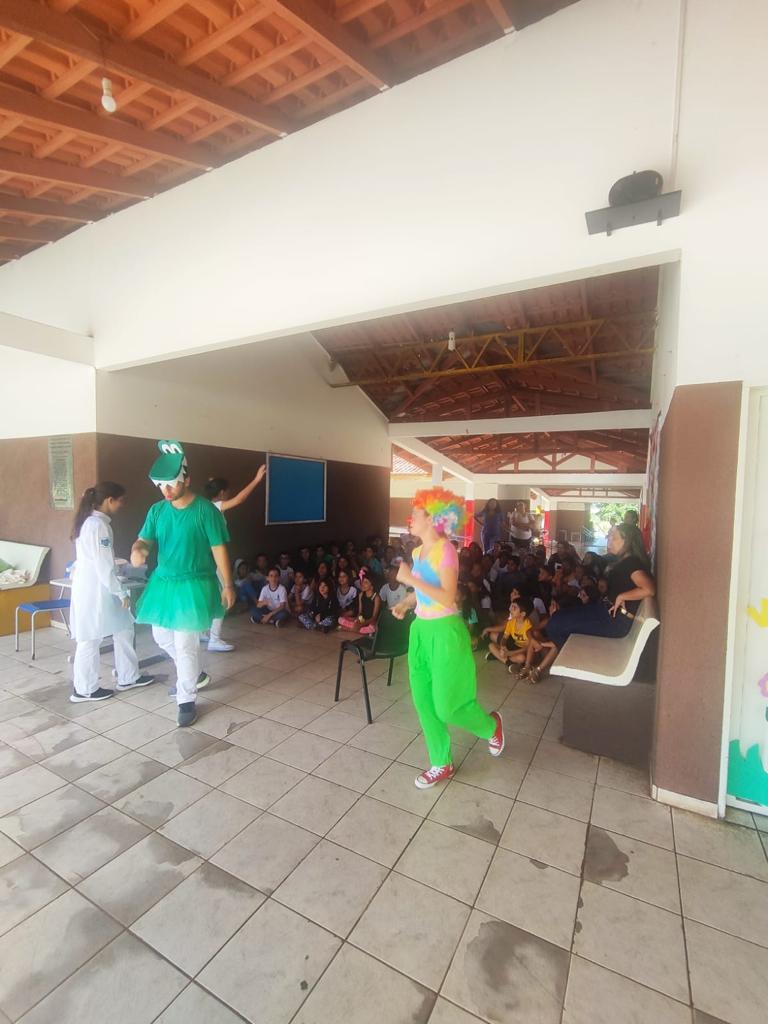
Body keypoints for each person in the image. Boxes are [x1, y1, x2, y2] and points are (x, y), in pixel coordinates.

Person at [393, 487, 504, 789]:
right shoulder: (417, 552)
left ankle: (491, 726)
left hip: (445, 633)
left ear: (432, 518)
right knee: (424, 703)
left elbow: (447, 597)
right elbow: (423, 592)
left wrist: (410, 579)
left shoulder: (446, 551)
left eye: (415, 514)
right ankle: (441, 762)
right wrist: (406, 602)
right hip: (421, 631)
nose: (410, 519)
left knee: (448, 706)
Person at [131, 441, 234, 727]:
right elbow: (144, 539)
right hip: (164, 584)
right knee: (161, 636)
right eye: (161, 486)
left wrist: (228, 584)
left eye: (171, 484)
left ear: (187, 480)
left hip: (194, 583)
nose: (166, 491)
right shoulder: (157, 511)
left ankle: (186, 699)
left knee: (186, 644)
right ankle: (195, 674)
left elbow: (219, 549)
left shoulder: (206, 511)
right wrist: (138, 549)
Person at [69, 482, 155, 703]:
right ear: (109, 500)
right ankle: (85, 689)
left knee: (124, 628)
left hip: (96, 587)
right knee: (90, 638)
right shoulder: (98, 526)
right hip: (96, 591)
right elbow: (104, 565)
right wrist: (121, 592)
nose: (122, 505)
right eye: (121, 501)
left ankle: (128, 676)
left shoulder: (90, 522)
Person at [545, 522, 656, 653]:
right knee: (557, 616)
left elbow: (649, 589)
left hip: (616, 622)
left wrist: (622, 596)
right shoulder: (625, 561)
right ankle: (565, 650)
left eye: (614, 538)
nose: (609, 540)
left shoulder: (631, 562)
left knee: (554, 624)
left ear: (627, 542)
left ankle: (574, 655)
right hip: (607, 612)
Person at [201, 465, 266, 652]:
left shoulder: (202, 506)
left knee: (207, 597)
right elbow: (239, 499)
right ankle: (214, 638)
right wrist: (256, 480)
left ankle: (202, 632)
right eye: (226, 492)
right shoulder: (215, 507)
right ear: (221, 493)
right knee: (223, 597)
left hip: (203, 560)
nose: (228, 494)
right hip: (214, 560)